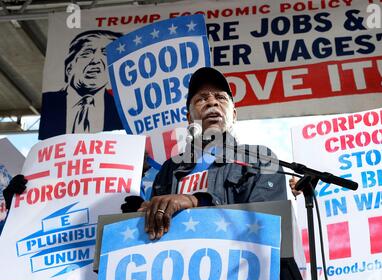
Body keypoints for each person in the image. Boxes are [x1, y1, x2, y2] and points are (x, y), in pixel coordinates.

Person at [138, 67, 288, 240]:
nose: (212, 102)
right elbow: (154, 227)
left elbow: (266, 226)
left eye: (221, 98)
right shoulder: (168, 169)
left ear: (233, 114)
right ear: (189, 118)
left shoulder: (261, 158)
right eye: (201, 99)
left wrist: (196, 201)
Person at [38, 30, 124, 140]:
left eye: (105, 54)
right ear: (69, 68)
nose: (96, 60)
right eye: (87, 53)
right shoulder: (51, 102)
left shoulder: (119, 110)